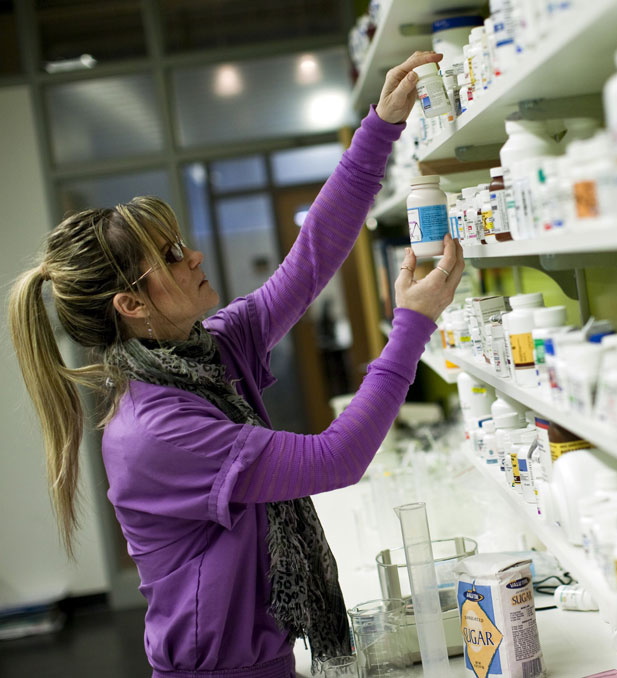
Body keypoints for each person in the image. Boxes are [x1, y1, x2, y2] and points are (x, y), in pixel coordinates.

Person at [7, 51, 461, 678]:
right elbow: (335, 460)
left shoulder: (206, 349)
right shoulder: (154, 430)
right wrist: (410, 328)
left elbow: (307, 264)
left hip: (260, 654)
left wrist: (379, 126)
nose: (192, 256)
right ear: (132, 304)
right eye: (168, 257)